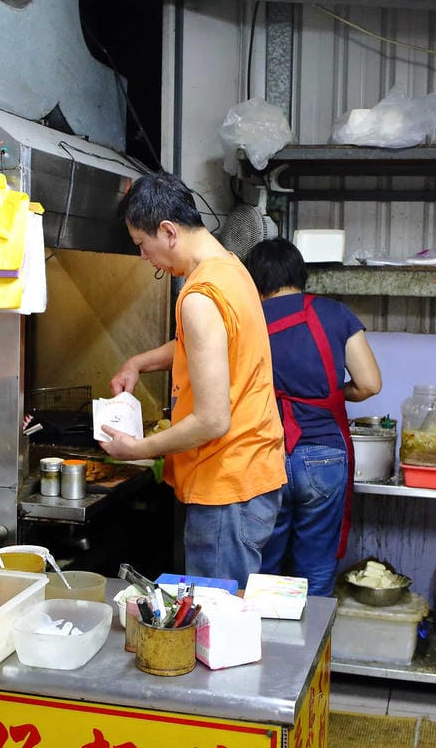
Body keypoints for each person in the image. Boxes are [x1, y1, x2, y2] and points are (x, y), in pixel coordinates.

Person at [98, 172, 287, 585]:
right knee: (229, 606)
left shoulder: (200, 297)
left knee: (216, 614)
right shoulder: (231, 269)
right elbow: (205, 345)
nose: (144, 257)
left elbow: (212, 420)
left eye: (141, 244)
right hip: (251, 471)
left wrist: (139, 449)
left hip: (225, 484)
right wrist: (138, 362)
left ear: (168, 232)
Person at [243, 237, 382, 596]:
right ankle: (313, 632)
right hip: (323, 455)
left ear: (256, 280)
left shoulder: (245, 319)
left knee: (264, 568)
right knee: (316, 568)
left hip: (265, 454)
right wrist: (331, 395)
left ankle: (265, 633)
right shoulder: (336, 313)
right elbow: (369, 384)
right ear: (299, 275)